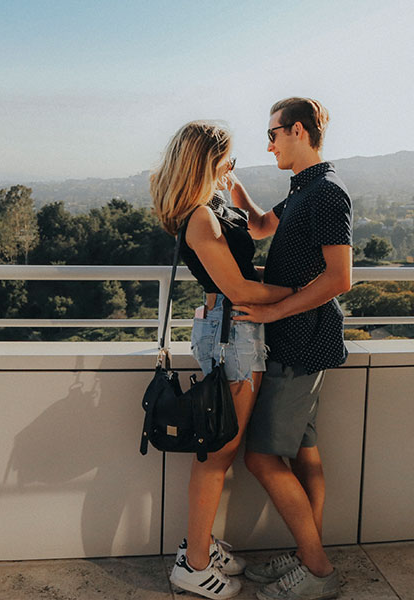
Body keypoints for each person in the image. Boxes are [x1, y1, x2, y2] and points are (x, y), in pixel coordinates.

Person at [151, 121, 295, 599]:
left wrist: (235, 186)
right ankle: (193, 564)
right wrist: (303, 291)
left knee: (221, 449)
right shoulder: (200, 218)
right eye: (227, 159)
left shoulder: (214, 204)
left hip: (235, 330)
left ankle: (200, 546)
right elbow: (237, 288)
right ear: (207, 161)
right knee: (219, 452)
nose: (233, 165)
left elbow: (258, 230)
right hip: (232, 332)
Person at [231, 97, 352, 600]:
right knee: (304, 452)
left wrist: (273, 312)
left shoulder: (327, 193)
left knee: (260, 457)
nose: (269, 145)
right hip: (299, 340)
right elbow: (260, 227)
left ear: (297, 131)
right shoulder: (304, 188)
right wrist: (231, 185)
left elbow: (340, 278)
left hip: (301, 342)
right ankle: (307, 554)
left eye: (273, 134)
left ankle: (318, 571)